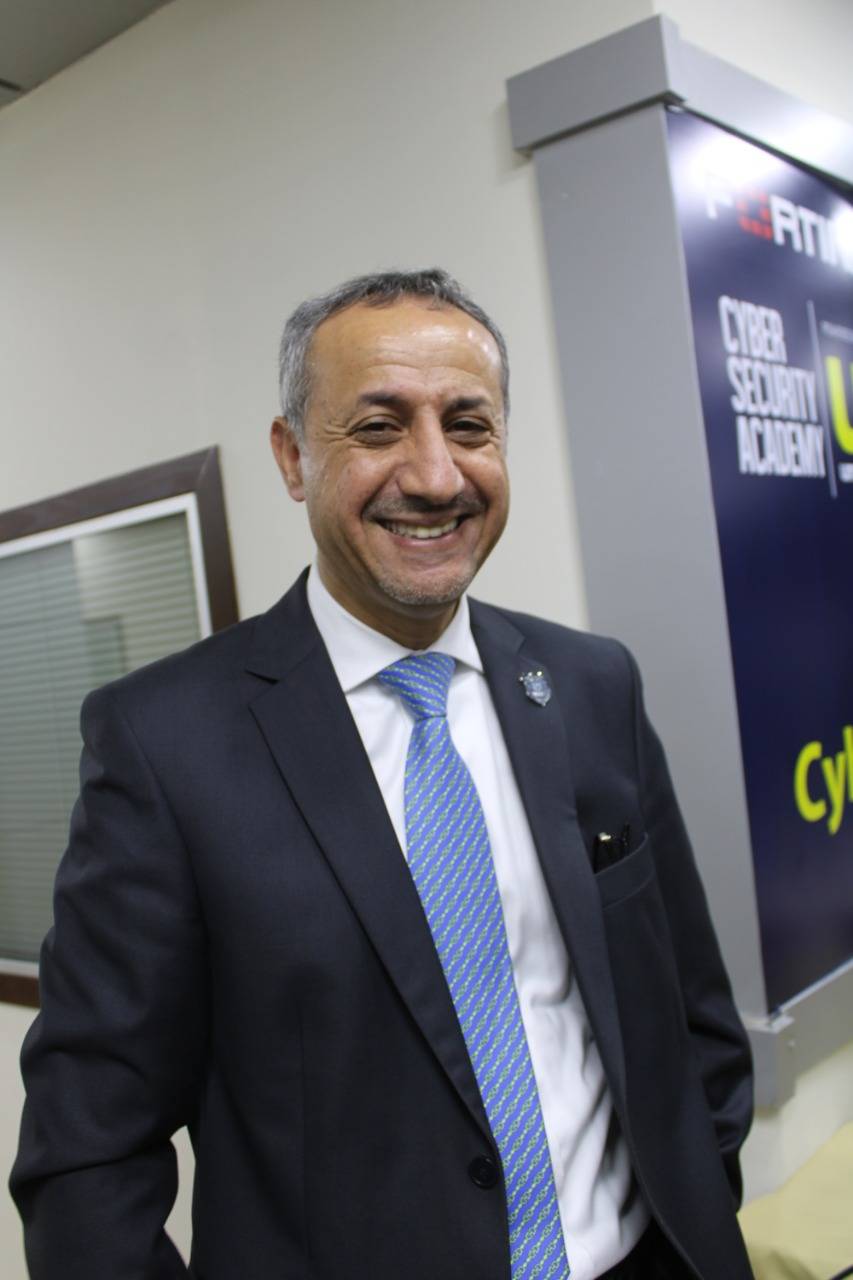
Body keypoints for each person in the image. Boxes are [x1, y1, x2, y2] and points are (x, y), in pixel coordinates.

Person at [11, 269, 754, 1279]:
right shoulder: (163, 744)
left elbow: (689, 1014)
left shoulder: (588, 685)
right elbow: (87, 1154)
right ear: (292, 456)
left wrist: (699, 1206)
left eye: (469, 425)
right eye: (377, 427)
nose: (436, 476)